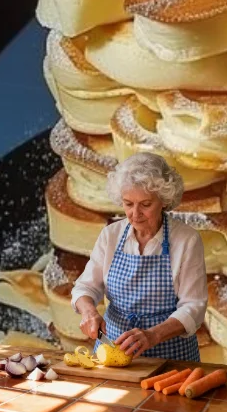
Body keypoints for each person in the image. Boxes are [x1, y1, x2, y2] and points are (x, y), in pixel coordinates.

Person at [71, 153, 207, 361]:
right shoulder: (111, 235)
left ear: (163, 200)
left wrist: (153, 335)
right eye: (128, 204)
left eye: (145, 204)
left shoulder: (186, 240)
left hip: (171, 357)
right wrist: (89, 311)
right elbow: (85, 287)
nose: (135, 213)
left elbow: (193, 307)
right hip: (113, 351)